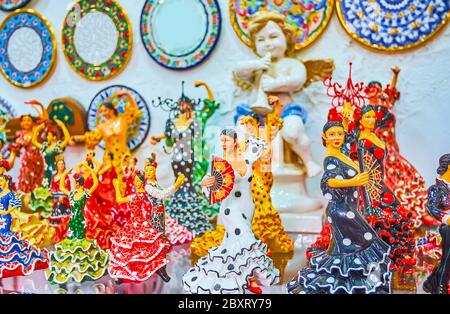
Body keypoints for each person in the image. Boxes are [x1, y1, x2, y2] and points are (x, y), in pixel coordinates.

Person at [287, 122, 392, 294]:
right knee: (362, 244)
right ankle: (354, 285)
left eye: (339, 134)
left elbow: (351, 139)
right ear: (324, 138)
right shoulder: (331, 159)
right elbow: (329, 181)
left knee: (348, 249)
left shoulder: (341, 153)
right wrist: (354, 181)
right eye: (332, 134)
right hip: (342, 211)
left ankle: (355, 285)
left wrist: (345, 119)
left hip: (350, 209)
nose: (337, 138)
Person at [183, 129, 279, 294]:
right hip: (230, 208)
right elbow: (209, 182)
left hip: (248, 206)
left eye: (226, 140)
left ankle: (242, 276)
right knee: (246, 239)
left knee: (235, 245)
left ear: (235, 141)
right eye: (221, 141)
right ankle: (252, 278)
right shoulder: (219, 164)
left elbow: (264, 146)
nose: (223, 144)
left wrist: (251, 133)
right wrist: (206, 183)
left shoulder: (247, 157)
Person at [150, 81, 220, 235]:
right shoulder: (174, 122)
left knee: (190, 183)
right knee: (178, 183)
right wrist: (158, 138)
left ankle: (192, 211)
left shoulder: (197, 118)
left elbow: (211, 104)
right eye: (180, 105)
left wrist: (204, 85)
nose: (182, 107)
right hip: (176, 157)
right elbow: (169, 137)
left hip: (193, 157)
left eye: (185, 104)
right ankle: (176, 214)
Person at [45, 164, 109, 284]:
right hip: (72, 221)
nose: (74, 184)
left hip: (80, 221)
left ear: (79, 183)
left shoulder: (85, 194)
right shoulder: (72, 194)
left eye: (75, 182)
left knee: (80, 242)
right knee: (70, 241)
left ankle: (81, 268)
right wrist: (65, 173)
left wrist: (90, 170)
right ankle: (71, 267)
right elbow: (61, 187)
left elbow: (95, 183)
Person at [108, 172, 172, 283]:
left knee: (146, 246)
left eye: (139, 181)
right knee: (129, 245)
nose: (136, 183)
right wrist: (116, 186)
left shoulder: (144, 195)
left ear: (143, 182)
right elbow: (119, 199)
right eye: (135, 181)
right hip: (132, 222)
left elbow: (151, 205)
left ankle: (158, 269)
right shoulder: (134, 195)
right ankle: (125, 272)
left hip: (143, 222)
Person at [0, 175, 49, 278]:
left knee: (4, 235)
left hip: (5, 218)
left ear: (6, 182)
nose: (0, 183)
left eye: (1, 181)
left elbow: (17, 204)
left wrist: (7, 212)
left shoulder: (9, 193)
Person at [143, 154, 192, 245]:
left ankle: (160, 249)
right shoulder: (147, 186)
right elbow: (161, 194)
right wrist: (175, 185)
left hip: (161, 213)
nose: (148, 172)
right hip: (153, 215)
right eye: (146, 171)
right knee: (155, 234)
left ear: (155, 171)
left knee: (161, 232)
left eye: (151, 170)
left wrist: (177, 185)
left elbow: (166, 193)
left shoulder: (156, 185)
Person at [423, 154, 450, 294]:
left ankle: (431, 281)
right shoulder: (436, 189)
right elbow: (431, 208)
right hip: (447, 228)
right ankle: (441, 286)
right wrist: (446, 218)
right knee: (448, 259)